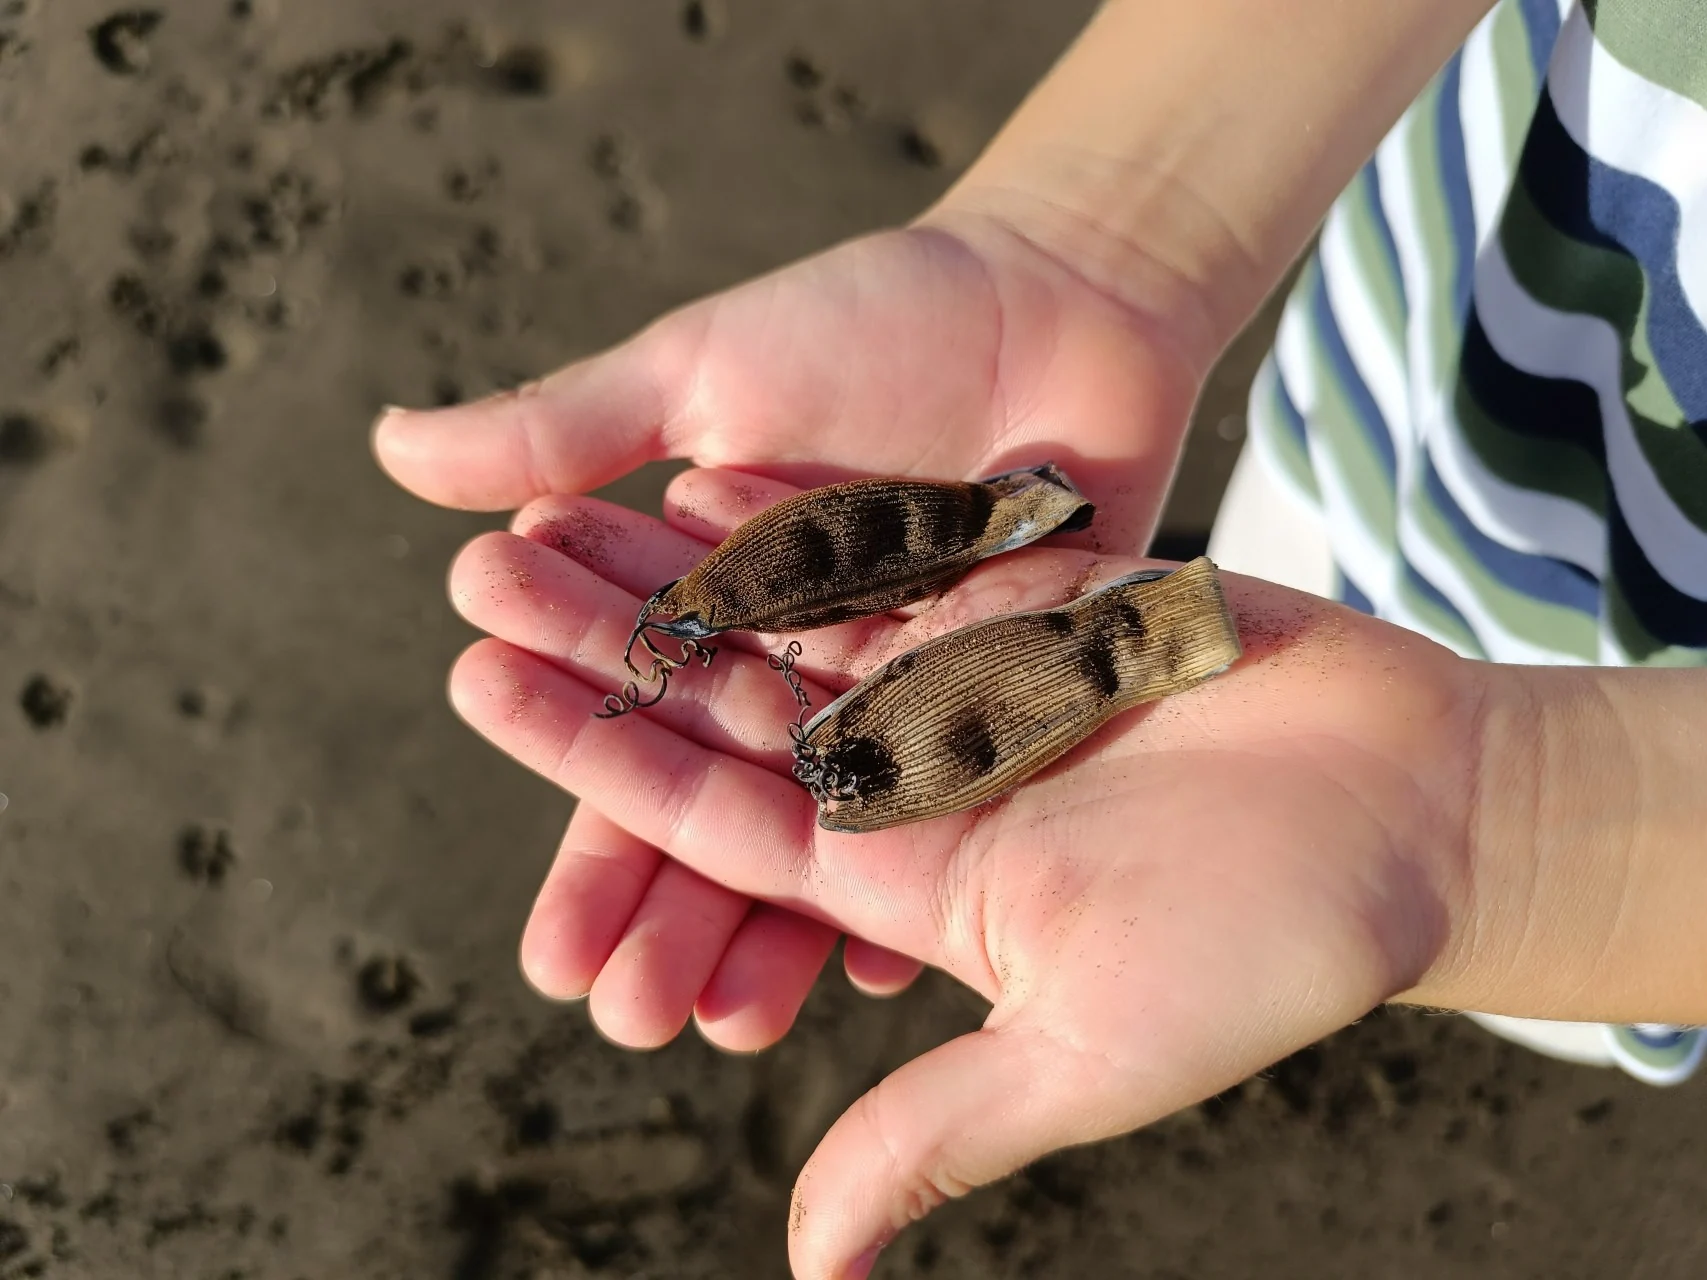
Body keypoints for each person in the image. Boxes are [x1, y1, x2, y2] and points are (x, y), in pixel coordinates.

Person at [373, 0, 1707, 1275]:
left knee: (1377, 813)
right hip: (1456, 355)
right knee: (1307, 614)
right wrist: (1101, 235)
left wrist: (1497, 829)